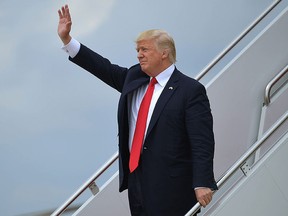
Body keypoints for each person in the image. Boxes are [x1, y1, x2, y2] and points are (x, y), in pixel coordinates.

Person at [57, 4, 217, 216]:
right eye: (138, 50)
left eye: (145, 49)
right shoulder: (134, 78)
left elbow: (202, 140)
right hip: (138, 183)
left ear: (164, 53)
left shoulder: (190, 90)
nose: (139, 55)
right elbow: (102, 67)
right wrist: (68, 40)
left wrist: (203, 182)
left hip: (173, 187)